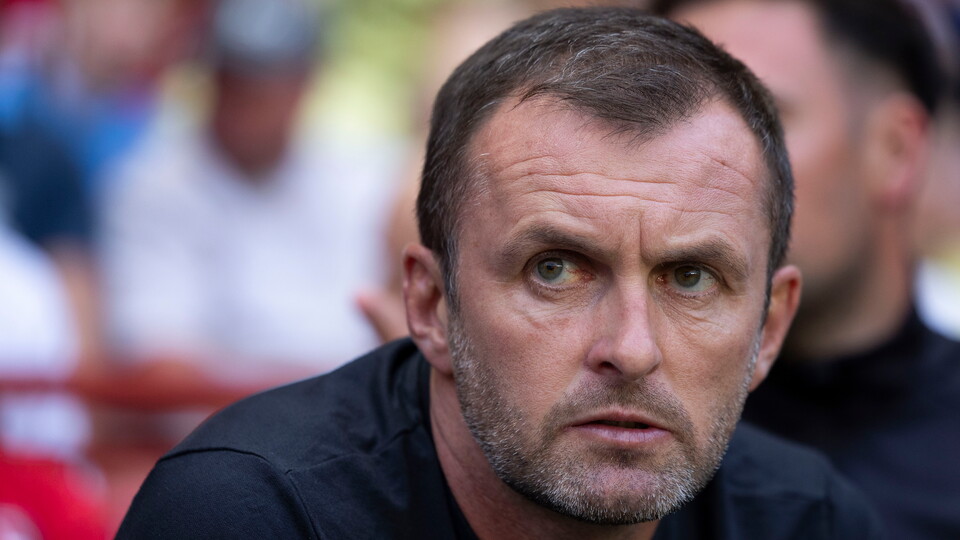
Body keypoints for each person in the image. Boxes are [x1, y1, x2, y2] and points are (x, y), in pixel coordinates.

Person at [117, 8, 882, 539]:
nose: (632, 347)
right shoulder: (245, 516)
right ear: (429, 304)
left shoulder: (811, 520)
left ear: (770, 326)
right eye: (556, 269)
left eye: (690, 279)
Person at [649, 0, 960, 537]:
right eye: (661, 118)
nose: (684, 166)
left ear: (894, 149)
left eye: (757, 117)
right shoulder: (603, 433)